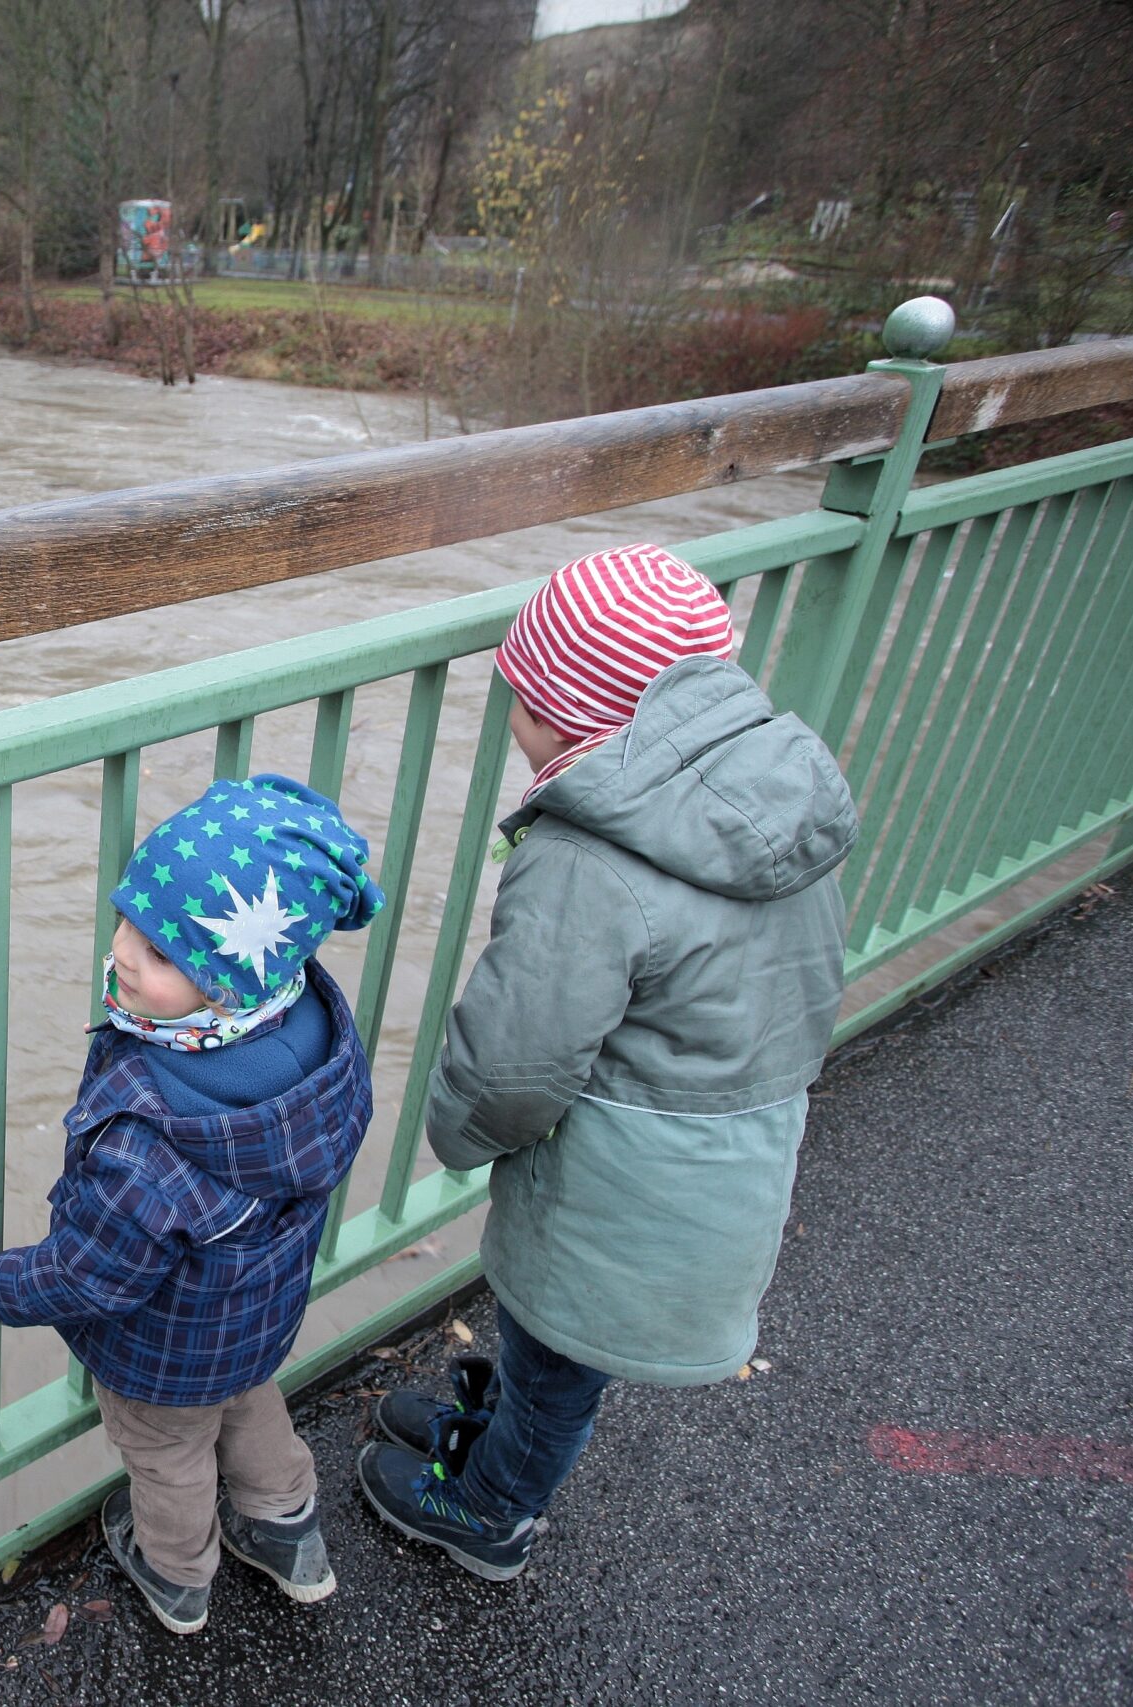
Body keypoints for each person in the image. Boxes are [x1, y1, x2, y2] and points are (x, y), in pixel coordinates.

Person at [357, 542, 859, 1582]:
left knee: (559, 1366)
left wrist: (456, 1131)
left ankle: (494, 1507)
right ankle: (499, 1423)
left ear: (571, 716)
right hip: (730, 1148)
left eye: (524, 699)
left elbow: (513, 1061)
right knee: (554, 1344)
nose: (514, 720)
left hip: (627, 1181)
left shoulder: (587, 860)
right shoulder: (770, 801)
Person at [0, 774, 385, 1634]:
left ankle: (176, 1574)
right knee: (249, 1400)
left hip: (164, 1349)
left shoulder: (149, 1143)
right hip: (254, 1313)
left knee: (167, 1455)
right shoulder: (315, 1032)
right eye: (130, 916)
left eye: (164, 954)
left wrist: (9, 1284)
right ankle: (292, 1537)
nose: (124, 950)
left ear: (232, 984)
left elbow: (95, 1272)